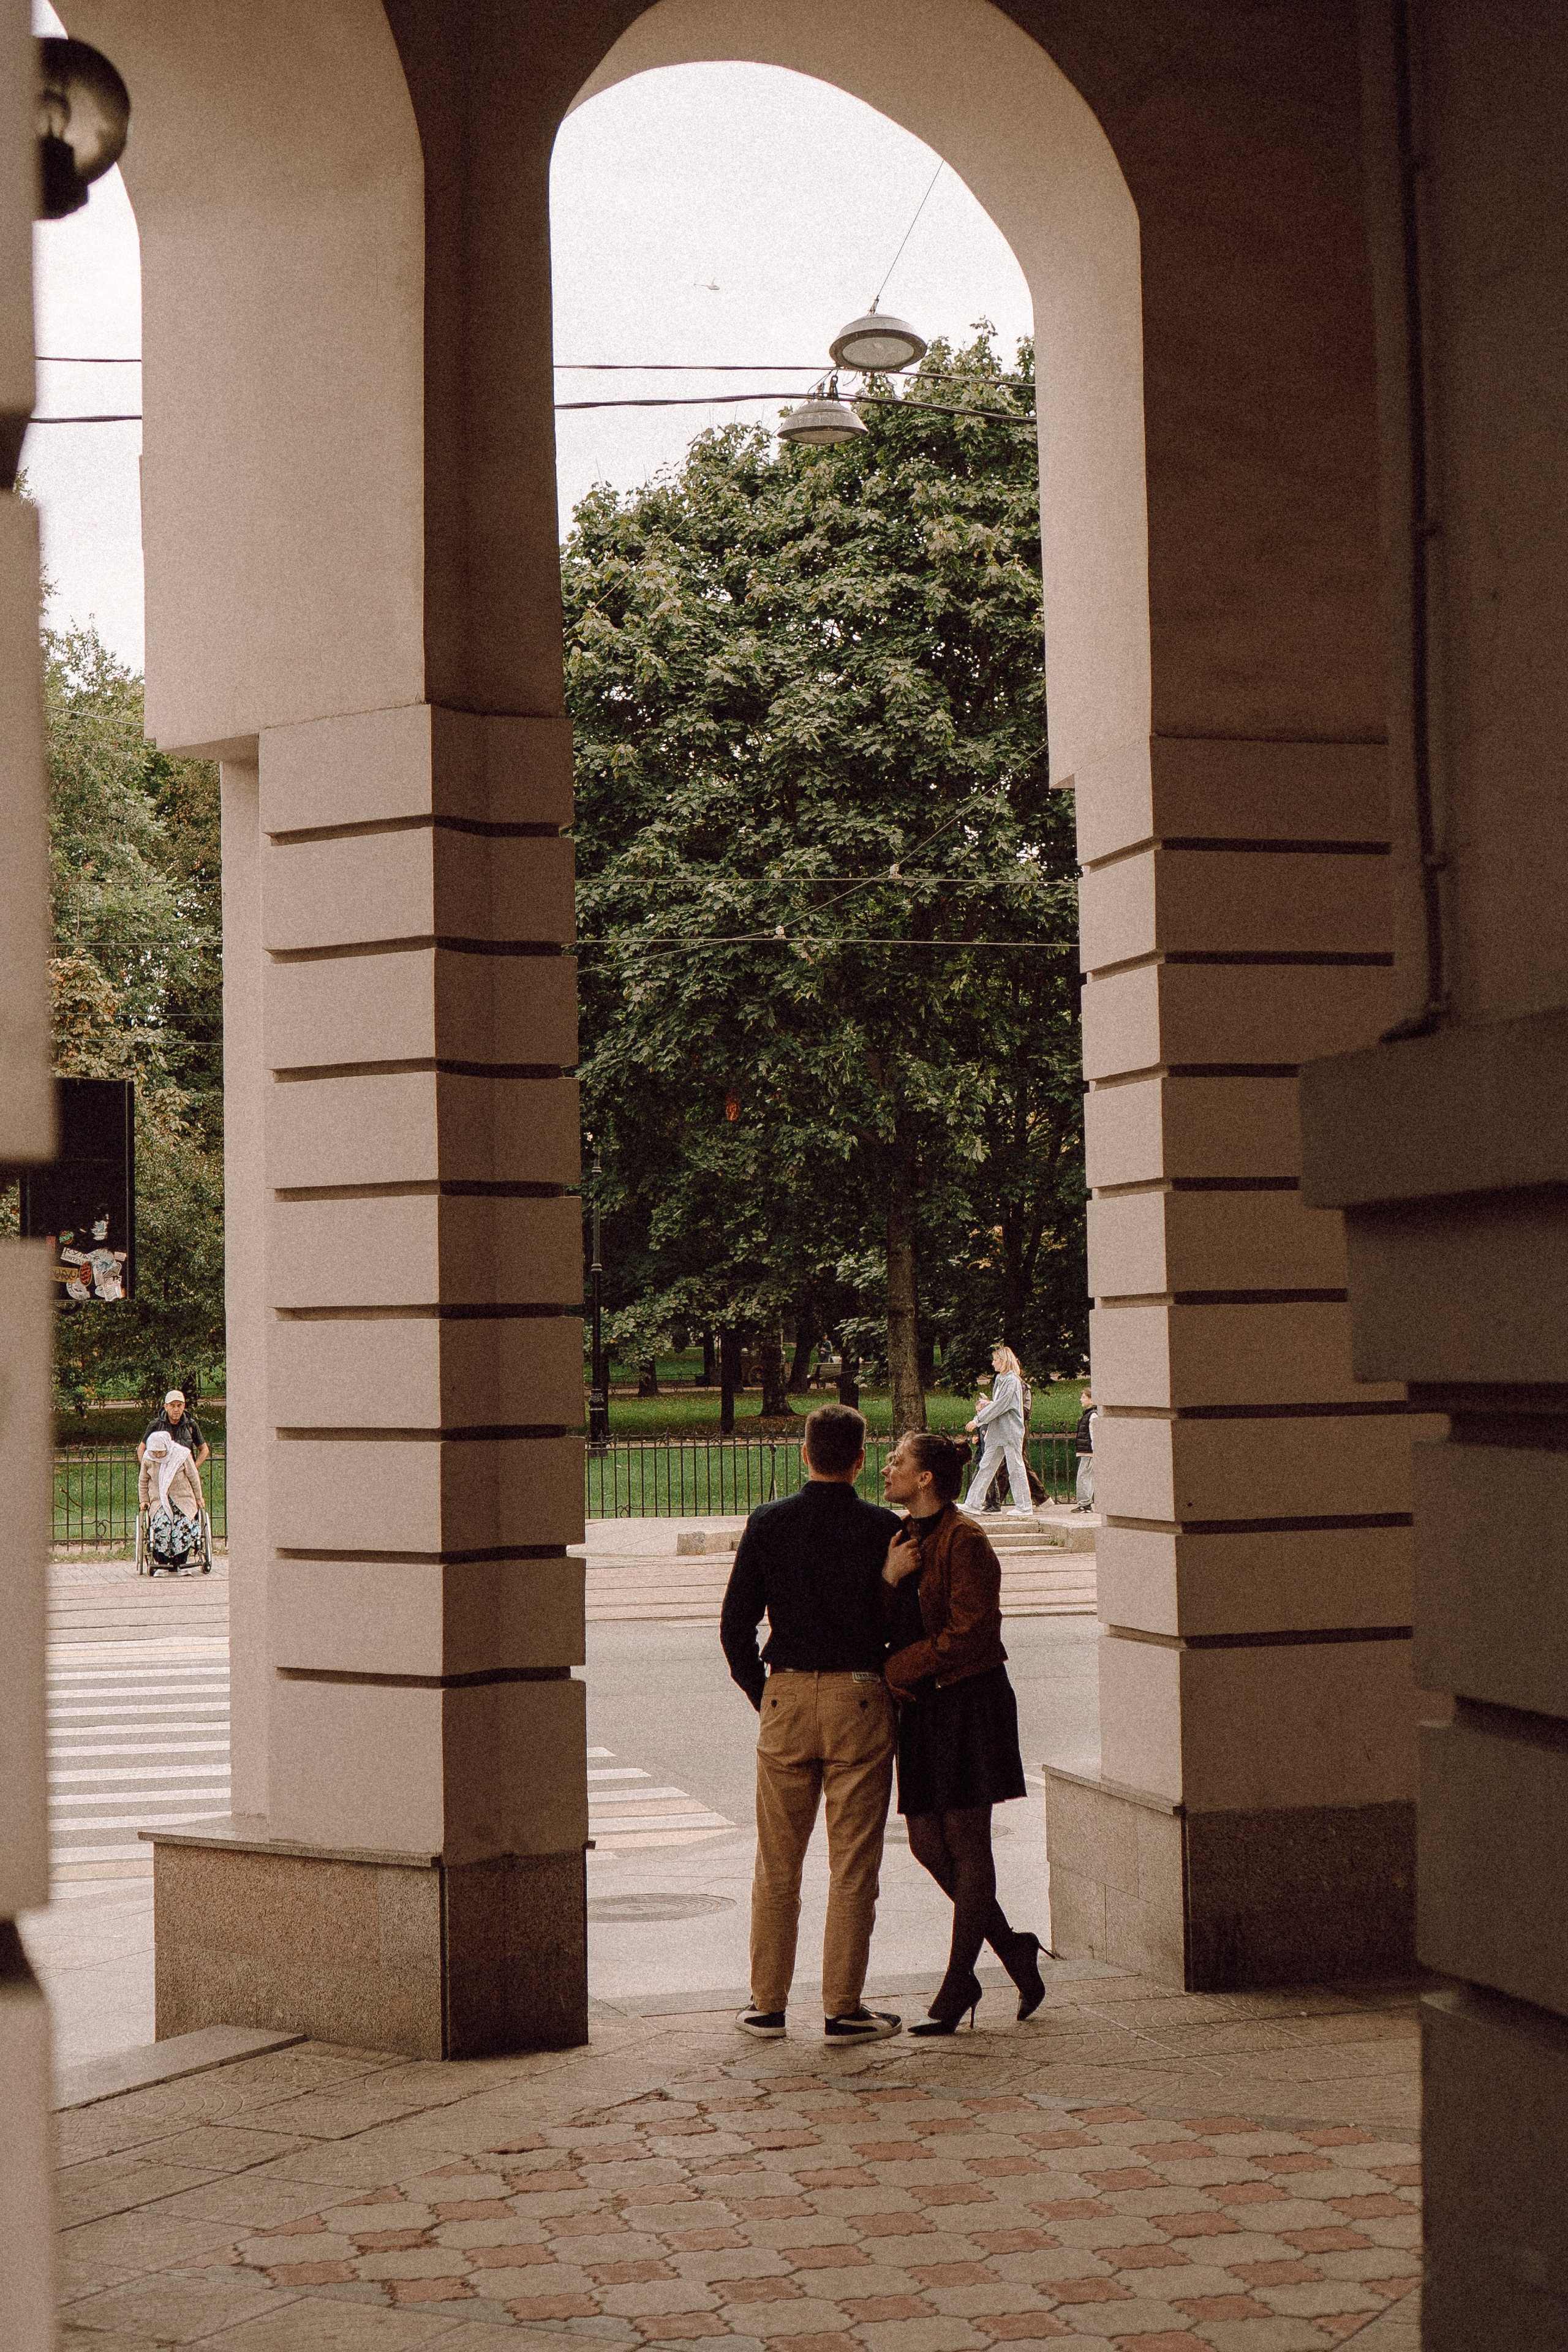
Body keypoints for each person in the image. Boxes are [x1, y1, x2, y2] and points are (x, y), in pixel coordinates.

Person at [720, 1402, 905, 2045]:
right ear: (859, 1459)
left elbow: (734, 1625)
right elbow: (898, 1625)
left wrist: (764, 1693)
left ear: (804, 1454)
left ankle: (767, 2005)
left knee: (777, 1862)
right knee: (853, 1864)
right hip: (859, 1690)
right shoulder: (884, 1526)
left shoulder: (768, 1522)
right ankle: (841, 2007)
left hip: (787, 1692)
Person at [881, 1430, 1047, 2033]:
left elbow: (971, 1633)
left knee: (967, 1841)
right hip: (923, 1709)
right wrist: (889, 1578)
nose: (886, 1467)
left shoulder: (965, 1539)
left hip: (969, 1703)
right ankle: (1012, 1950)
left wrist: (900, 1667)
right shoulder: (901, 1539)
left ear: (926, 1478)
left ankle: (960, 1981)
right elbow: (880, 1619)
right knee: (927, 1843)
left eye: (897, 1460)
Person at [962, 1344, 1033, 1515]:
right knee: (986, 1466)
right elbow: (997, 1404)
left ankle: (1024, 1507)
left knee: (1015, 1467)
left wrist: (978, 1420)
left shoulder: (1011, 1381)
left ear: (1003, 1361)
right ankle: (973, 1503)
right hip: (999, 1431)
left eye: (996, 1360)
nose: (993, 1363)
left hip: (1009, 1431)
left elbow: (1001, 1405)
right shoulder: (1002, 1380)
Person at [138, 1428, 205, 1570]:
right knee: (162, 1525)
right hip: (159, 1502)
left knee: (184, 1524)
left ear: (167, 1448)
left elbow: (194, 1477)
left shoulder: (181, 1455)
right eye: (154, 1452)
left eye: (159, 1452)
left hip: (183, 1499)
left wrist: (199, 1497)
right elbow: (143, 1481)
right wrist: (144, 1500)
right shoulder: (148, 1458)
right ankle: (162, 1559)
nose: (156, 1455)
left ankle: (180, 1559)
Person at [137, 1389, 210, 1492]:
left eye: (179, 1405)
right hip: (161, 1476)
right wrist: (147, 1469)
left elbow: (204, 1449)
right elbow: (142, 1448)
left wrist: (192, 1468)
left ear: (184, 1406)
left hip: (184, 1478)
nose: (176, 1409)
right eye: (172, 1405)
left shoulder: (191, 1425)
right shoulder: (156, 1425)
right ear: (166, 1407)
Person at [1073, 1385, 1096, 1512]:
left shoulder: (1092, 1416)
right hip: (1086, 1451)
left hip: (1089, 1452)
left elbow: (1094, 1434)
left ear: (1091, 1400)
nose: (1081, 1400)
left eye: (1084, 1397)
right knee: (1084, 1476)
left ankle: (1085, 1504)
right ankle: (1084, 1503)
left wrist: (1094, 1450)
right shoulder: (1088, 1415)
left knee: (1084, 1476)